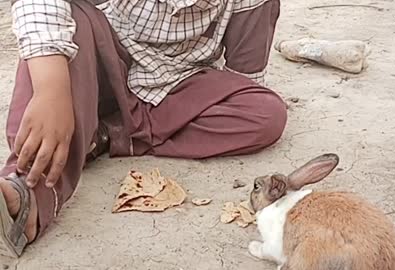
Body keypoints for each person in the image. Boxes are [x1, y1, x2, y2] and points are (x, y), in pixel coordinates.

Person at [0, 0, 286, 257]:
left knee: (265, 113)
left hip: (175, 85)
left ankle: (105, 135)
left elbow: (243, 80)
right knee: (62, 35)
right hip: (97, 70)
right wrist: (52, 90)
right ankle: (25, 194)